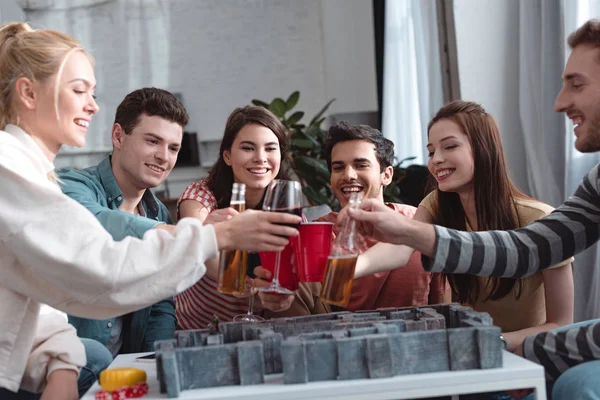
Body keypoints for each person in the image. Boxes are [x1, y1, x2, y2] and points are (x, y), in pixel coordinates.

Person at [0, 22, 300, 399]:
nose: (92, 105)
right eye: (79, 91)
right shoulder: (30, 173)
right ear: (27, 92)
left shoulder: (29, 170)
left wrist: (65, 362)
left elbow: (38, 292)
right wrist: (214, 236)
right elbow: (97, 261)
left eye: (173, 148)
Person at [347, 19, 600, 400]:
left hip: (513, 368)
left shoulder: (535, 212)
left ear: (483, 149)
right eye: (431, 150)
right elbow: (524, 250)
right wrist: (365, 256)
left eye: (576, 84)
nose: (559, 102)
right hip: (488, 361)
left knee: (574, 386)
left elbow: (561, 322)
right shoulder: (596, 182)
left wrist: (494, 345)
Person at [57, 87, 189, 395]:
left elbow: (160, 305)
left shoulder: (159, 216)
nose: (163, 156)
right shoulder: (72, 186)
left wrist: (161, 363)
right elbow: (96, 222)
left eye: (173, 148)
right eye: (152, 141)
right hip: (66, 367)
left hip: (122, 376)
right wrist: (180, 237)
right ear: (118, 136)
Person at [175, 106, 329, 328]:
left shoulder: (285, 206)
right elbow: (198, 241)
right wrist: (237, 281)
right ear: (227, 155)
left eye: (270, 149)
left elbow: (292, 273)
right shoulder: (200, 196)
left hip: (258, 328)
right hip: (199, 329)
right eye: (248, 148)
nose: (260, 158)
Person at [313, 121, 450, 311]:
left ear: (386, 175)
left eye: (360, 165)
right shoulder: (317, 234)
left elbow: (444, 308)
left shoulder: (419, 222)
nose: (349, 175)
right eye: (338, 168)